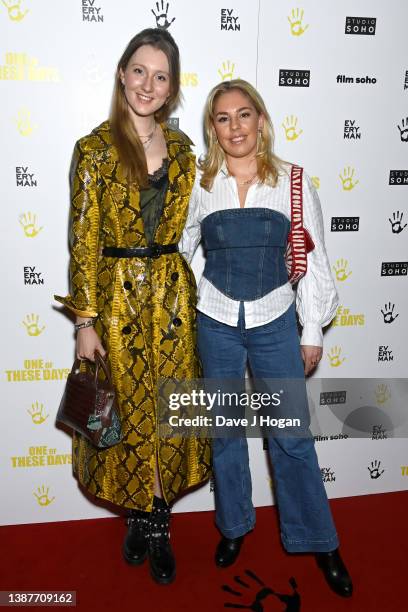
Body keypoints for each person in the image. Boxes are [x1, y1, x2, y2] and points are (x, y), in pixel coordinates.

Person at [179, 79, 353, 597]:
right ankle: (234, 527)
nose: (235, 127)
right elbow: (184, 248)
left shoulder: (294, 182)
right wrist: (193, 298)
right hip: (216, 322)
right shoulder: (199, 183)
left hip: (277, 320)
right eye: (223, 117)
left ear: (261, 120)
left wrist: (313, 327)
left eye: (244, 114)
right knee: (227, 434)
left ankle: (317, 538)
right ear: (212, 126)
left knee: (292, 438)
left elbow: (315, 259)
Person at [55, 28, 211, 585]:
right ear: (123, 73)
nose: (149, 84)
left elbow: (202, 227)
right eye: (139, 71)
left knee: (172, 415)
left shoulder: (188, 154)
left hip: (172, 300)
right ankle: (139, 515)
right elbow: (84, 239)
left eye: (161, 76)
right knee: (120, 418)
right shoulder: (93, 150)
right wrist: (85, 322)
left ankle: (160, 517)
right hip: (116, 305)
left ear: (171, 90)